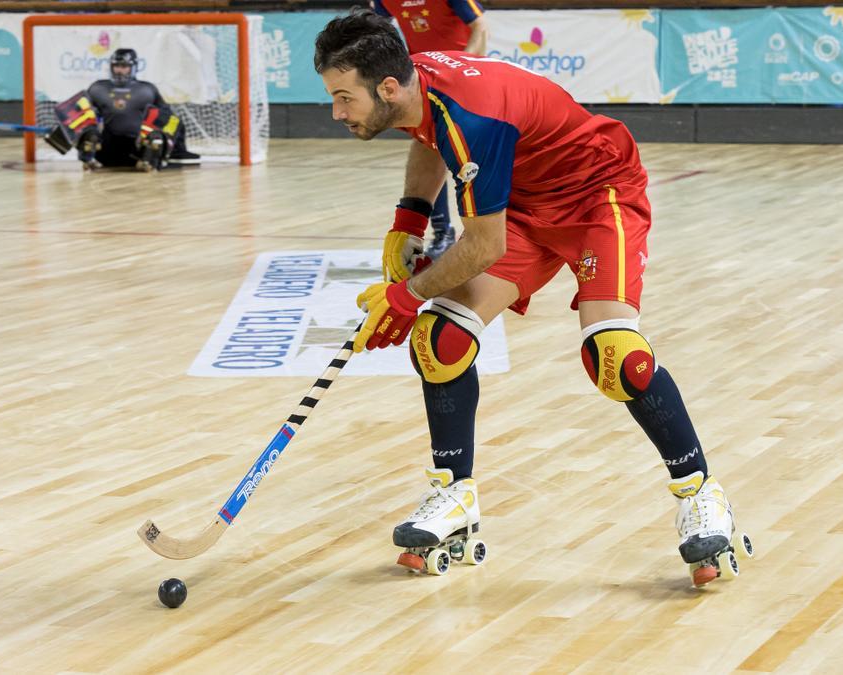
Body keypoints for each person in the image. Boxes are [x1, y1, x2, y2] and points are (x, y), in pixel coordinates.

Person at [314, 9, 747, 586]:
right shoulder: (413, 82)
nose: (338, 112)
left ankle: (701, 495)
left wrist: (406, 293)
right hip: (525, 203)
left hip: (599, 194)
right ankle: (454, 495)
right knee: (441, 340)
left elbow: (483, 246)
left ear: (387, 87)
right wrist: (409, 217)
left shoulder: (472, 115)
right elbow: (428, 137)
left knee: (617, 357)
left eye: (345, 99)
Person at [372, 0, 489, 259]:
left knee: (474, 158)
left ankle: (488, 235)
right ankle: (442, 231)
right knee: (430, 148)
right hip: (423, 84)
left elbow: (480, 27)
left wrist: (460, 68)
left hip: (464, 80)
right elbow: (378, 30)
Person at [43, 48, 199, 172]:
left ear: (133, 67)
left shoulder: (147, 89)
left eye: (124, 66)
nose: (119, 70)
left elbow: (168, 119)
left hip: (136, 150)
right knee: (89, 130)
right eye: (116, 66)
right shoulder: (98, 88)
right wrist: (63, 132)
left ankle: (148, 162)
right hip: (106, 151)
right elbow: (77, 113)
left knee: (159, 130)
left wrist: (178, 149)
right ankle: (88, 159)